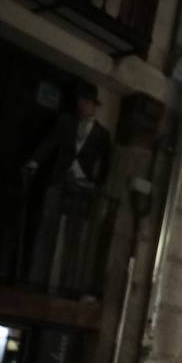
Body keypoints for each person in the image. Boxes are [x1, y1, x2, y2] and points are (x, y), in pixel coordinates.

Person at [23, 81, 112, 295]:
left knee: (75, 235)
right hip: (59, 179)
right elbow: (51, 142)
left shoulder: (102, 134)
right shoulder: (66, 121)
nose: (82, 106)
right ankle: (36, 281)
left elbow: (107, 163)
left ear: (94, 106)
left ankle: (67, 286)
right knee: (47, 226)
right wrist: (35, 161)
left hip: (82, 186)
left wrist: (96, 183)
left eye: (87, 102)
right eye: (80, 101)